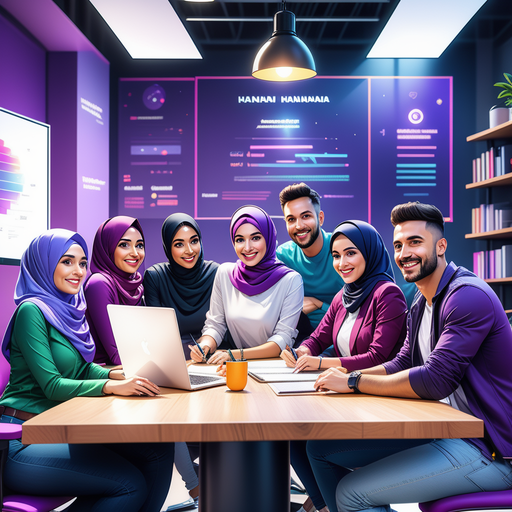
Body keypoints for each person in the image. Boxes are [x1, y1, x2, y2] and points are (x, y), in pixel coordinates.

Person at [307, 202, 512, 512]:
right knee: (319, 450)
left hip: (490, 448)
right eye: (398, 245)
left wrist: (353, 381)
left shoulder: (467, 296)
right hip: (444, 429)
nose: (404, 253)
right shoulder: (421, 300)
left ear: (441, 246)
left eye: (415, 242)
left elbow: (434, 380)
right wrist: (344, 382)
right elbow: (402, 362)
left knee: (351, 493)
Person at [0, 229, 174, 512]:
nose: (78, 271)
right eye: (67, 262)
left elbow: (81, 367)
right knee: (129, 485)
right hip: (24, 440)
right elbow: (53, 385)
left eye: (82, 263)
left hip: (60, 429)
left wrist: (113, 374)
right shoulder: (31, 311)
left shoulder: (67, 308)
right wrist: (109, 387)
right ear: (44, 263)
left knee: (158, 451)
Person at [281, 220, 407, 512]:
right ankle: (327, 506)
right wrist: (300, 350)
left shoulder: (387, 294)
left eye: (350, 253)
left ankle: (335, 506)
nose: (341, 262)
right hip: (347, 396)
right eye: (336, 255)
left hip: (378, 396)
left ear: (369, 252)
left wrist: (322, 362)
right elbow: (317, 337)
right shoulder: (343, 295)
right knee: (292, 433)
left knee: (314, 446)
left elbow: (379, 357)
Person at [144, 213, 219, 512]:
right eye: (179, 244)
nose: (189, 250)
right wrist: (180, 358)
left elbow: (220, 324)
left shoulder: (215, 273)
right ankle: (197, 487)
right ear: (167, 247)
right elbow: (155, 330)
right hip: (174, 364)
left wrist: (205, 349)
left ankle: (223, 484)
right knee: (166, 414)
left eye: (194, 241)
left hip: (212, 361)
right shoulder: (156, 276)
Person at [190, 205, 303, 364]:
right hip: (235, 365)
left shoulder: (291, 280)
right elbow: (215, 325)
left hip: (273, 366)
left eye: (256, 238)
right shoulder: (224, 273)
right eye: (240, 240)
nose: (247, 247)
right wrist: (204, 346)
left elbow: (282, 339)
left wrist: (234, 355)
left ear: (268, 238)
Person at [277, 183, 343, 332]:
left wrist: (318, 304)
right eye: (291, 219)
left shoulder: (342, 251)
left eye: (305, 216)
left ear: (320, 218)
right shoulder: (282, 257)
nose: (299, 226)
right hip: (299, 337)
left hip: (344, 334)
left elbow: (364, 311)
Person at [84, 216, 145, 366]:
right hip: (105, 375)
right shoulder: (99, 283)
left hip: (131, 368)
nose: (135, 253)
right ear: (107, 248)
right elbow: (117, 354)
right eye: (124, 245)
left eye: (139, 245)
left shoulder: (137, 286)